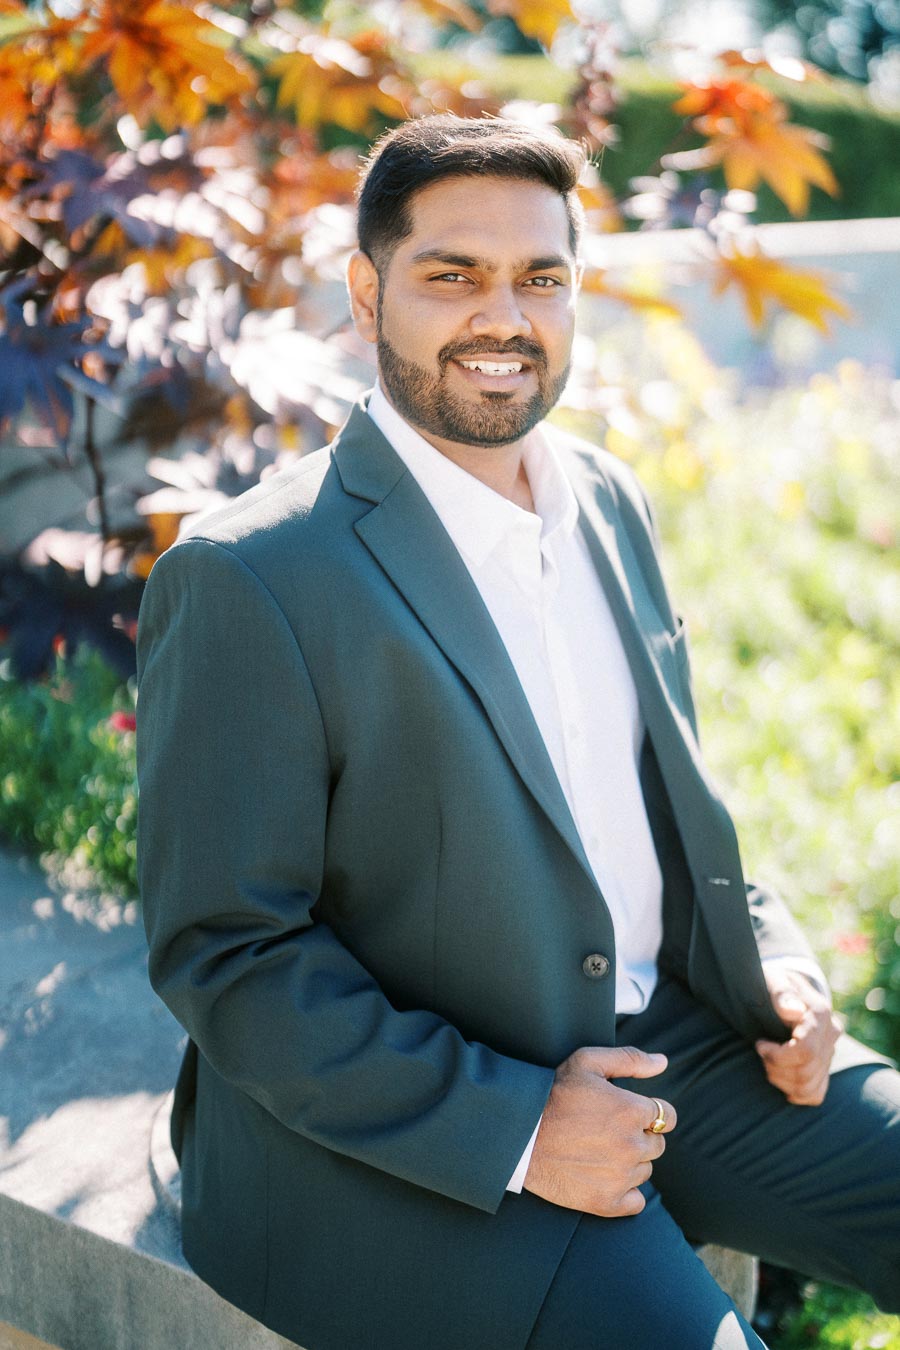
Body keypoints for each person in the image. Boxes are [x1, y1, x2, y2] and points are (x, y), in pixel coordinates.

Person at [135, 115, 900, 1350]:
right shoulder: (250, 578)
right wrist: (523, 1125)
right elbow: (227, 955)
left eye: (541, 278)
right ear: (367, 291)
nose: (506, 317)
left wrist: (778, 960)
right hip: (412, 1141)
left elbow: (661, 802)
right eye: (455, 275)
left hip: (681, 1058)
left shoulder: (606, 496)